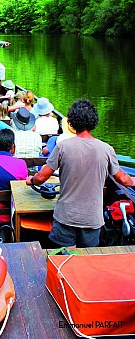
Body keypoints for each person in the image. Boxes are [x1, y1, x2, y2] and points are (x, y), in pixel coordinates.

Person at [26, 99, 135, 248]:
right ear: (93, 121)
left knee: (65, 258)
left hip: (66, 217)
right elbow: (123, 179)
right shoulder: (106, 149)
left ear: (72, 122)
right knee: (86, 259)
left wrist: (31, 180)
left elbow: (41, 177)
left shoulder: (63, 146)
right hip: (92, 219)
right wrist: (133, 181)